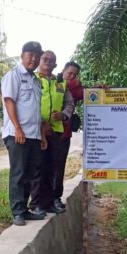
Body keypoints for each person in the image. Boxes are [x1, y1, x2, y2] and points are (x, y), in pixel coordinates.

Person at [1, 41, 47, 226]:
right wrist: (18, 128)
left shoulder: (36, 81)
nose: (34, 59)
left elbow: (35, 110)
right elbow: (9, 101)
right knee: (19, 173)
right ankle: (17, 212)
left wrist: (41, 135)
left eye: (37, 56)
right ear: (22, 56)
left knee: (30, 173)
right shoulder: (13, 75)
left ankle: (25, 209)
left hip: (34, 135)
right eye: (30, 55)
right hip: (17, 134)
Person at [30, 51, 74, 215]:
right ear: (40, 61)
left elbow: (69, 103)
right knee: (38, 168)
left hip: (56, 131)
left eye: (51, 61)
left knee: (53, 168)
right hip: (37, 131)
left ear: (56, 65)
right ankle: (36, 204)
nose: (48, 62)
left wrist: (63, 115)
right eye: (45, 59)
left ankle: (50, 202)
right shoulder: (32, 79)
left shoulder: (61, 83)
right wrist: (41, 124)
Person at [57, 61, 84, 210]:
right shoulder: (53, 84)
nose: (72, 77)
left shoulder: (73, 89)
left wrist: (100, 89)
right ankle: (40, 202)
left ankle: (56, 198)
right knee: (44, 169)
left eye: (75, 75)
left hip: (64, 135)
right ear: (63, 71)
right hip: (47, 134)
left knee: (59, 168)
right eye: (70, 73)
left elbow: (88, 93)